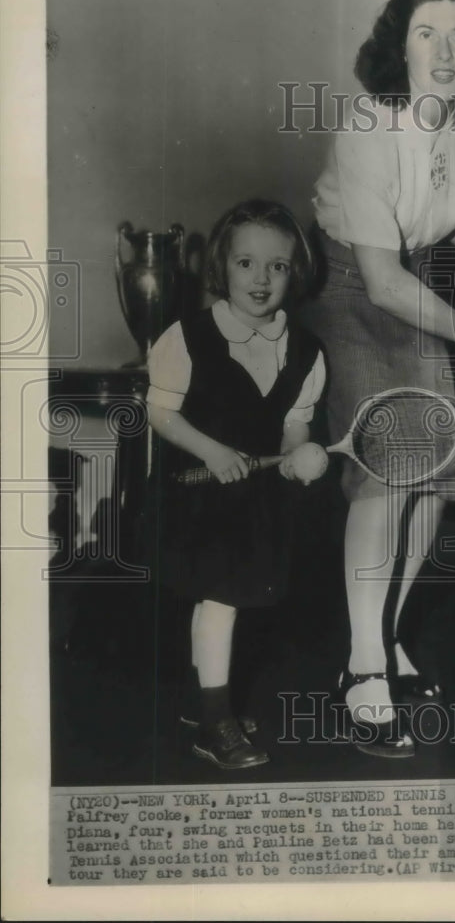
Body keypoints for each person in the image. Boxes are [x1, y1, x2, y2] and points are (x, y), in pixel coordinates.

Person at [303, 0, 455, 757]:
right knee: (389, 468)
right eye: (426, 33)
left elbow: (453, 217)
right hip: (351, 286)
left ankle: (385, 638)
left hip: (411, 283)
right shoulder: (367, 126)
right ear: (398, 46)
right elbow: (377, 279)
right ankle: (362, 667)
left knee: (435, 481)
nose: (444, 52)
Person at [147, 199, 326, 770]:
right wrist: (213, 450)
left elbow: (295, 424)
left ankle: (208, 702)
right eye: (246, 263)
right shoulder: (187, 336)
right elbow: (161, 412)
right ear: (222, 268)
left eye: (278, 266)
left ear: (295, 273)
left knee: (234, 602)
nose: (261, 278)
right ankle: (215, 723)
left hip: (258, 503)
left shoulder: (307, 351)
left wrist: (301, 455)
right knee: (221, 599)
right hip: (197, 492)